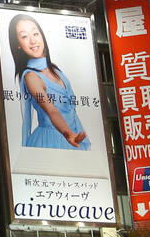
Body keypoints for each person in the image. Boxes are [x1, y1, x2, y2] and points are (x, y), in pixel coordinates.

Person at [7, 14, 90, 150]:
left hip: (75, 136)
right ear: (17, 45)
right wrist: (67, 133)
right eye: (24, 36)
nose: (33, 41)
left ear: (42, 35)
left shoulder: (57, 70)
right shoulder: (31, 77)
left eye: (35, 33)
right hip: (51, 141)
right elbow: (52, 111)